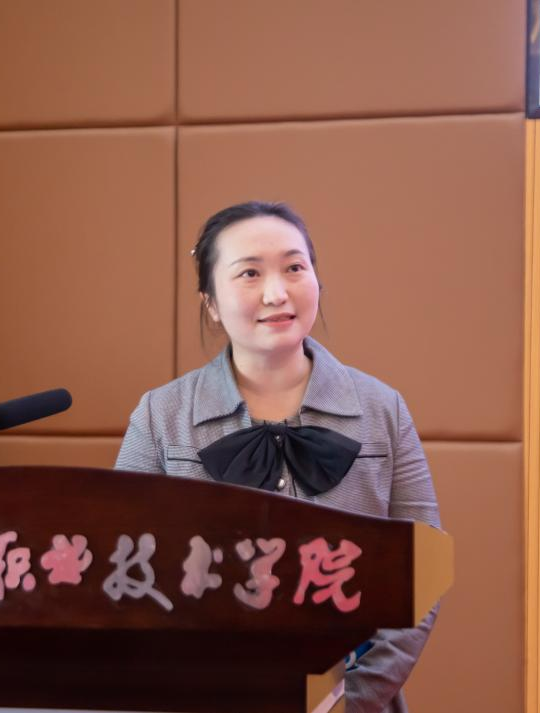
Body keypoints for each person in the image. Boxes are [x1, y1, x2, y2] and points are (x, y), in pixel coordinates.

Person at [115, 201, 441, 713]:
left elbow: (424, 570)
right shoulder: (161, 415)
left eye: (294, 267)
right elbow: (123, 571)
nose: (277, 292)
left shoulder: (383, 408)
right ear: (211, 303)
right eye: (250, 273)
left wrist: (352, 699)